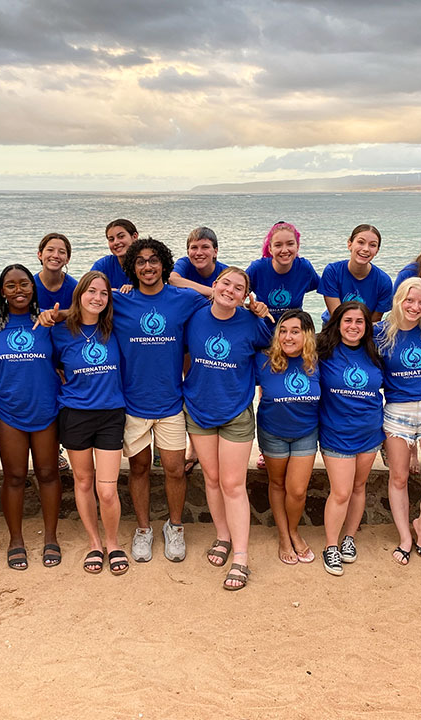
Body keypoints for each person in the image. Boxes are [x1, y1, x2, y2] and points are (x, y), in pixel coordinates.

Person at [114, 239, 207, 563]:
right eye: (140, 261)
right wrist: (49, 318)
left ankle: (175, 526)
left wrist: (251, 305)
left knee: (174, 470)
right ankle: (143, 529)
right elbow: (85, 307)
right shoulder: (119, 301)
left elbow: (220, 305)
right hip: (132, 403)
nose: (148, 266)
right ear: (132, 268)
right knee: (138, 468)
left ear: (164, 264)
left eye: (154, 260)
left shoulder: (183, 299)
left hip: (170, 402)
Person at [183, 267, 272, 590]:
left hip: (236, 411)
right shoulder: (194, 315)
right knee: (212, 479)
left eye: (239, 288)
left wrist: (260, 311)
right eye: (226, 284)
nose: (230, 290)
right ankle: (222, 535)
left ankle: (241, 556)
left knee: (233, 484)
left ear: (245, 295)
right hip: (198, 408)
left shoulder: (252, 323)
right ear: (214, 285)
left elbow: (279, 349)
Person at [0, 265, 63, 570]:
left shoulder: (47, 322)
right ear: (2, 291)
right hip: (7, 412)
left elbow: (66, 356)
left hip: (46, 409)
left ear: (34, 287)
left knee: (48, 473)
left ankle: (51, 537)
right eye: (11, 285)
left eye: (24, 284)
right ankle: (16, 539)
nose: (18, 290)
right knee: (14, 476)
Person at [50, 271, 129, 575]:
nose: (97, 298)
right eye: (91, 291)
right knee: (83, 482)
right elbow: (48, 366)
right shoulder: (60, 333)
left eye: (104, 293)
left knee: (106, 490)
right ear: (79, 294)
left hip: (111, 413)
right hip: (75, 414)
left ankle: (112, 543)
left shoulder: (115, 328)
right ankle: (94, 543)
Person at [375, 278, 421, 568]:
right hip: (396, 414)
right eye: (409, 300)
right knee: (399, 478)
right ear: (398, 300)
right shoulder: (379, 333)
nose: (415, 307)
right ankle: (406, 537)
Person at [317, 303, 385, 575]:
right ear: (338, 323)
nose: (354, 326)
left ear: (367, 326)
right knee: (341, 491)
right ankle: (331, 546)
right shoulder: (323, 351)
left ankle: (349, 539)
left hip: (369, 431)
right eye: (348, 321)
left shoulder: (375, 352)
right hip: (336, 432)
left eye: (360, 321)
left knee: (358, 487)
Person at [256, 310, 320, 566]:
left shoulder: (318, 362)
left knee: (297, 490)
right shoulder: (263, 361)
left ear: (307, 335)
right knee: (277, 484)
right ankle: (284, 536)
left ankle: (294, 530)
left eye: (295, 331)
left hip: (306, 433)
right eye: (283, 331)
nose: (288, 337)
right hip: (272, 434)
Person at [246, 221, 319, 321]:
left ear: (297, 247)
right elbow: (236, 295)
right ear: (270, 249)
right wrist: (250, 306)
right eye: (278, 245)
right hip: (263, 330)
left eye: (290, 244)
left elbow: (326, 287)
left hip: (294, 329)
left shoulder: (304, 268)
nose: (284, 250)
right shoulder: (258, 269)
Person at [320, 224, 393, 324]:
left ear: (377, 251)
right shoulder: (333, 271)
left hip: (364, 330)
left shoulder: (384, 282)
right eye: (361, 242)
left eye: (372, 245)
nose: (366, 249)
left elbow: (374, 321)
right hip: (333, 326)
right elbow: (336, 316)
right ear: (350, 244)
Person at [169, 226, 228, 297]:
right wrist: (215, 292)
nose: (199, 253)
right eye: (194, 248)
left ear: (215, 252)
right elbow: (172, 279)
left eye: (205, 247)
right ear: (188, 252)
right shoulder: (185, 263)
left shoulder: (226, 273)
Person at [90, 219, 138, 290]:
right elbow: (85, 289)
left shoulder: (146, 264)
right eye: (111, 239)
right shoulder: (103, 265)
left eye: (121, 237)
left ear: (134, 237)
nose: (116, 242)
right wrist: (107, 291)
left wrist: (136, 289)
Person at [35, 232, 77, 311]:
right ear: (40, 255)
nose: (55, 255)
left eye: (61, 252)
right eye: (50, 250)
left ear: (67, 259)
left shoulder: (75, 288)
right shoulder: (30, 287)